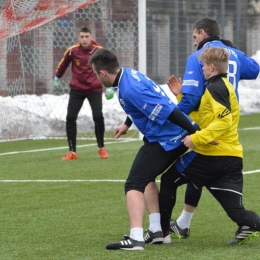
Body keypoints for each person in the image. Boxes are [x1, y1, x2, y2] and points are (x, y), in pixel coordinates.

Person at [88, 48, 199, 250]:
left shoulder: (130, 88)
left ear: (103, 73)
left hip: (167, 140)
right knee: (145, 176)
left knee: (133, 183)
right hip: (163, 138)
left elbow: (169, 111)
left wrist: (196, 133)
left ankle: (136, 238)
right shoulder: (128, 75)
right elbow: (140, 105)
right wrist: (127, 124)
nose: (97, 78)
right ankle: (157, 231)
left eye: (96, 74)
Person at [167, 17, 260, 239]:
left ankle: (161, 229)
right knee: (199, 176)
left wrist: (172, 120)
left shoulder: (199, 57)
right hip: (225, 126)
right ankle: (182, 223)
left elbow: (191, 100)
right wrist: (230, 50)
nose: (194, 43)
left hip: (214, 127)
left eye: (194, 37)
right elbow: (255, 69)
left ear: (202, 33)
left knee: (178, 175)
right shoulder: (230, 54)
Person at [53, 27, 109, 160]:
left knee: (98, 116)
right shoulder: (72, 51)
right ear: (79, 38)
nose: (84, 39)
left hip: (94, 89)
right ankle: (72, 151)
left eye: (86, 36)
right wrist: (57, 77)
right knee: (70, 117)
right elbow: (63, 64)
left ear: (91, 37)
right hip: (77, 89)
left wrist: (110, 86)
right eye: (82, 37)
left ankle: (101, 148)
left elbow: (107, 68)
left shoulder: (99, 51)